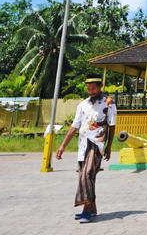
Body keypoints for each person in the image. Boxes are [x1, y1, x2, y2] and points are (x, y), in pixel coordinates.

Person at [56, 75, 117, 223]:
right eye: (89, 89)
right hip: (83, 144)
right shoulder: (83, 105)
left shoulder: (109, 103)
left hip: (97, 144)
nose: (91, 91)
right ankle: (93, 208)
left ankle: (86, 209)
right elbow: (75, 127)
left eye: (93, 88)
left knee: (88, 173)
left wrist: (109, 147)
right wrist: (63, 146)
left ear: (100, 86)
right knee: (85, 175)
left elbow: (112, 125)